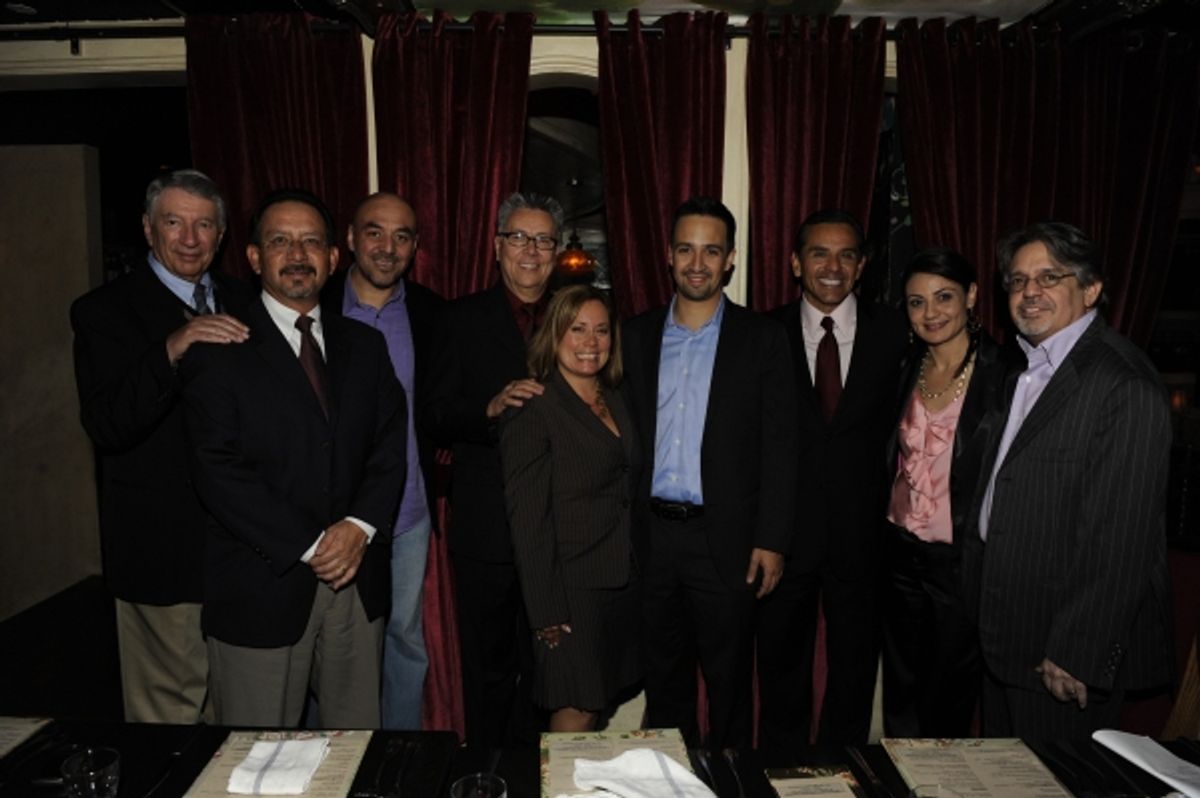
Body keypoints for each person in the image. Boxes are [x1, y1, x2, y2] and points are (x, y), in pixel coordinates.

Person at [182, 189, 407, 728]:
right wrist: (310, 545)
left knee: (354, 753)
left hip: (356, 581)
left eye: (311, 241)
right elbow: (217, 469)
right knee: (258, 759)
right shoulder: (217, 350)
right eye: (280, 241)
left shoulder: (365, 346)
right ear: (255, 258)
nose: (298, 254)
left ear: (334, 258)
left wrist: (357, 526)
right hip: (263, 585)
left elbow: (390, 447)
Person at [969, 221, 1173, 739]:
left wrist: (1077, 650)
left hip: (1058, 654)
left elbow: (1122, 536)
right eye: (1017, 281)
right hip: (1006, 637)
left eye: (1049, 277)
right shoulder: (1026, 373)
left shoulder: (1121, 382)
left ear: (1091, 290)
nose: (1029, 292)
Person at [70, 169, 250, 723]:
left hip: (245, 554)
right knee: (166, 727)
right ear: (149, 230)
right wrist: (172, 347)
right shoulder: (103, 311)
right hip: (161, 555)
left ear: (220, 237)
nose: (190, 238)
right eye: (174, 222)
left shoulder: (250, 303)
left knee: (239, 719)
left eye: (203, 225)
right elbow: (106, 424)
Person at [622, 196, 798, 750]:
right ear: (669, 257)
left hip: (725, 539)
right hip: (651, 539)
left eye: (711, 250)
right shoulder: (634, 335)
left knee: (728, 684)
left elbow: (781, 445)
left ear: (730, 260)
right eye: (685, 249)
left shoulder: (763, 338)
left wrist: (772, 539)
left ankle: (729, 781)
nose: (697, 262)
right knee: (665, 682)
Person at [756, 209, 907, 747]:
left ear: (862, 266)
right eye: (819, 252)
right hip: (783, 536)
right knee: (780, 666)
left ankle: (847, 771)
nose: (832, 266)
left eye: (846, 254)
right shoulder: (762, 332)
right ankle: (780, 767)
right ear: (797, 263)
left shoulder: (896, 331)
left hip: (863, 536)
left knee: (854, 667)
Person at [422, 191, 564, 745]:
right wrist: (488, 407)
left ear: (556, 251)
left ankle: (536, 778)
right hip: (486, 525)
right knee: (489, 671)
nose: (531, 250)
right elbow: (433, 414)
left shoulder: (577, 316)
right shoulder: (458, 319)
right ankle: (486, 777)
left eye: (543, 239)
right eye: (519, 238)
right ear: (497, 246)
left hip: (559, 528)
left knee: (550, 672)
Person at [881, 248, 1018, 737]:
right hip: (900, 554)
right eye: (917, 302)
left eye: (943, 297)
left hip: (961, 562)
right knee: (900, 687)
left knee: (948, 693)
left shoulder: (1007, 376)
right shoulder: (907, 366)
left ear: (973, 297)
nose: (931, 313)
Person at [321, 192, 443, 730]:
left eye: (402, 236)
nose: (387, 247)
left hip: (408, 515)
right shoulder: (311, 306)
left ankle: (401, 759)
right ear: (349, 238)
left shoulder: (432, 315)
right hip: (327, 518)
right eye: (375, 232)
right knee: (322, 650)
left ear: (415, 247)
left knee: (404, 641)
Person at [499, 285, 640, 732]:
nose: (591, 342)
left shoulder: (616, 398)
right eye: (577, 329)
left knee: (596, 706)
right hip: (568, 590)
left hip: (618, 583)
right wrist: (546, 613)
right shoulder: (533, 407)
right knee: (575, 710)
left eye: (601, 330)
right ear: (554, 334)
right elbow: (527, 521)